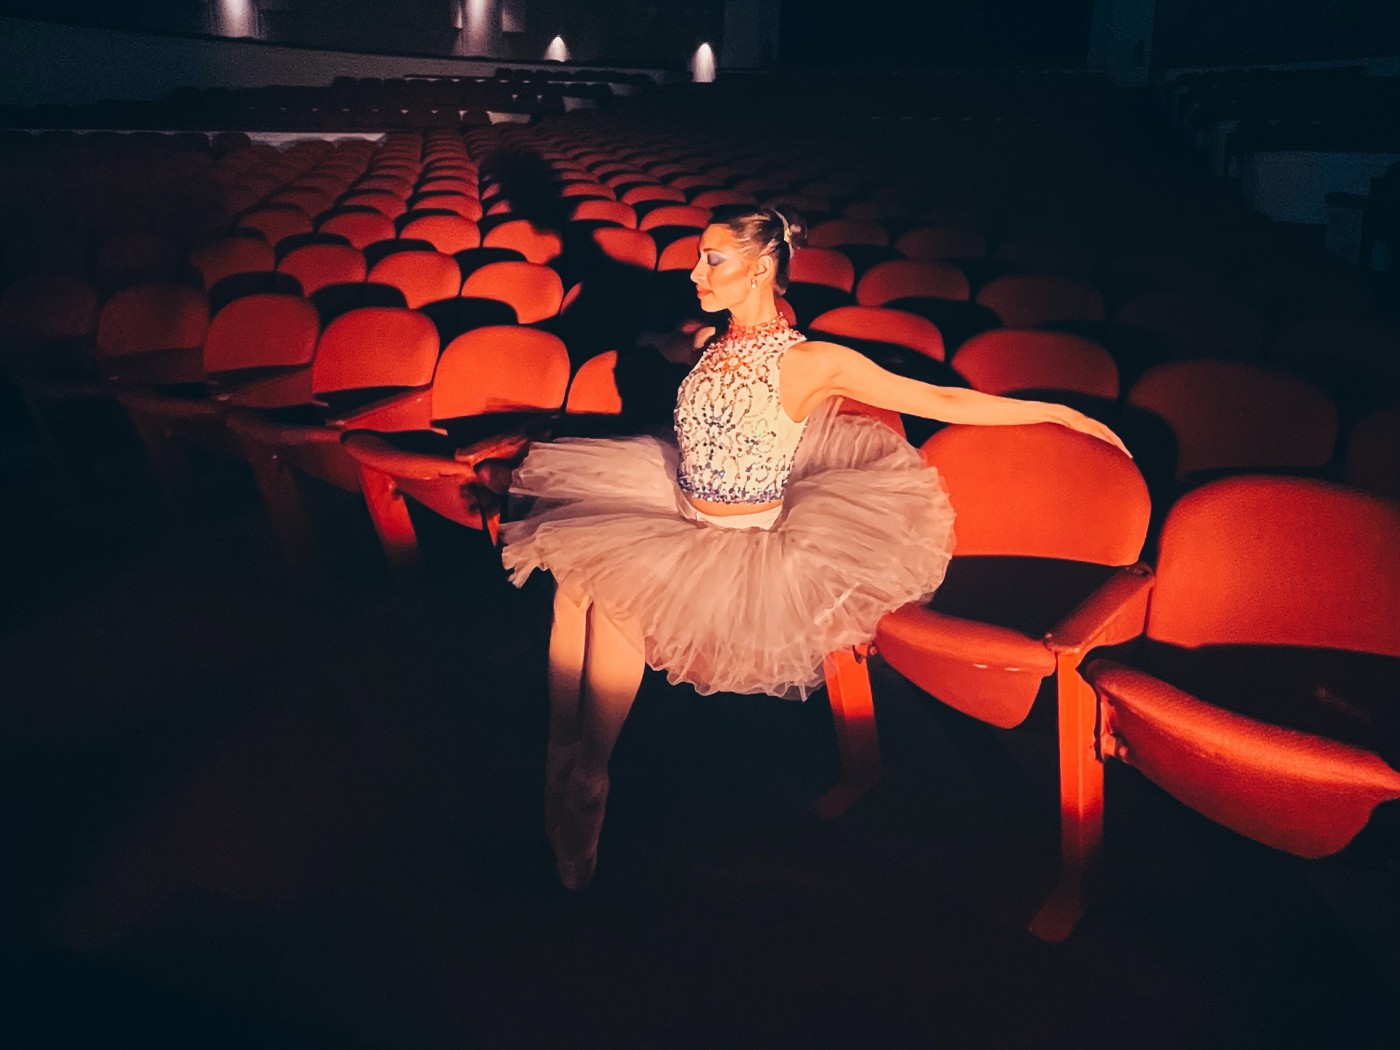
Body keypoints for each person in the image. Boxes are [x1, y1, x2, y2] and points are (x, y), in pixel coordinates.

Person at [500, 204, 1129, 891]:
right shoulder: (709, 340)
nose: (696, 272)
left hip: (738, 545)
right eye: (699, 257)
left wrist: (1059, 411)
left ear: (761, 267)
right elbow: (666, 345)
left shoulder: (811, 361)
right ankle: (561, 753)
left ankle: (590, 779)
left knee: (615, 600)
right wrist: (656, 343)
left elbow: (939, 399)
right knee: (573, 584)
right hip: (673, 510)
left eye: (713, 259)